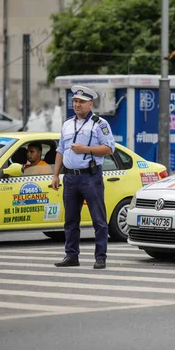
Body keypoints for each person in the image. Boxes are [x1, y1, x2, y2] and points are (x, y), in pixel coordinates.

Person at [52, 85, 116, 270]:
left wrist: (85, 150)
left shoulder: (100, 124)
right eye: (75, 101)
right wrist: (56, 175)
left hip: (90, 176)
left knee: (98, 219)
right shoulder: (67, 124)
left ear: (90, 104)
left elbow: (109, 149)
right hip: (71, 177)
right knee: (71, 220)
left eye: (81, 102)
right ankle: (71, 255)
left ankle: (100, 257)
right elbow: (60, 150)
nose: (77, 104)